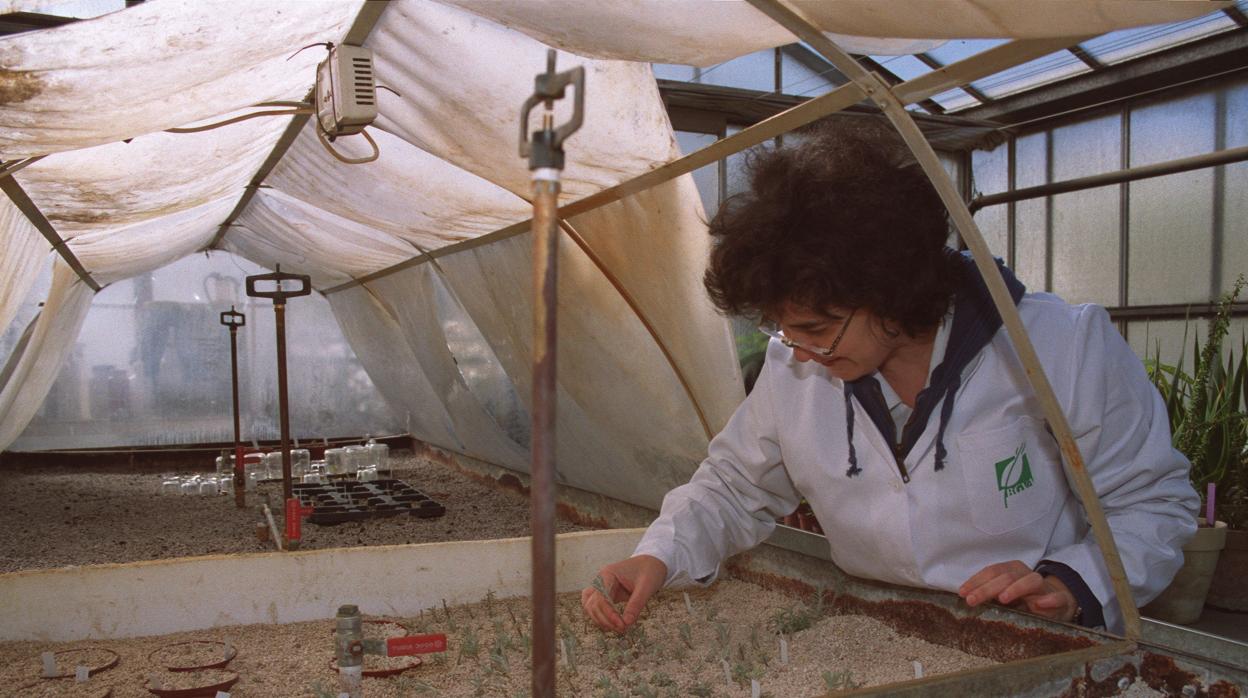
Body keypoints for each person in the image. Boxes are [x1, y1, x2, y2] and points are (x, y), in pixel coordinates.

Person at [581, 117, 1199, 635]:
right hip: (873, 628)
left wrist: (1074, 580)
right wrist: (657, 558)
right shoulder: (794, 370)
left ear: (892, 289)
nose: (798, 353)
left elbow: (1153, 504)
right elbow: (731, 487)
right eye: (783, 329)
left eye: (818, 330)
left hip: (1029, 636)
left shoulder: (1058, 349)